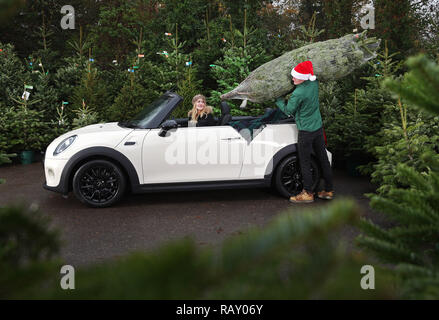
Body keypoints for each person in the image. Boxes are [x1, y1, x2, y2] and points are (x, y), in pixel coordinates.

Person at [275, 60, 334, 203]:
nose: (292, 79)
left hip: (306, 132)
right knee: (323, 159)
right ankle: (328, 190)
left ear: (302, 77)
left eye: (294, 76)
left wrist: (278, 100)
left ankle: (307, 193)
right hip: (318, 128)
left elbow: (289, 111)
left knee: (305, 162)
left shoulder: (299, 93)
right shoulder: (314, 83)